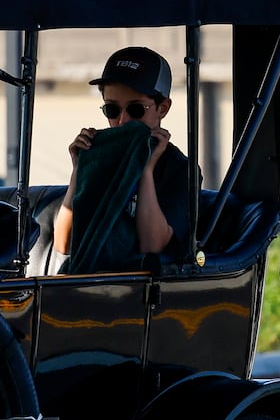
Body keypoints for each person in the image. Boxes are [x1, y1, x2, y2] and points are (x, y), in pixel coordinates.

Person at [53, 47, 197, 271]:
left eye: (136, 109)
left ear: (163, 108)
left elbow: (153, 244)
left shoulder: (180, 169)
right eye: (112, 109)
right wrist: (79, 171)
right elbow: (64, 243)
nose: (122, 121)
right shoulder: (101, 157)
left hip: (143, 292)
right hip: (89, 285)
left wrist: (146, 170)